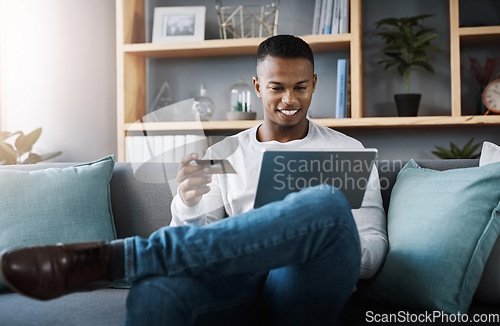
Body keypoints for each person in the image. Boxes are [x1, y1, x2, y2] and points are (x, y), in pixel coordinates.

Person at [0, 35, 387, 326]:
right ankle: (136, 262)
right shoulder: (224, 153)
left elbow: (374, 243)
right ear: (257, 87)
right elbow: (203, 243)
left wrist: (304, 238)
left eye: (300, 87)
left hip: (307, 281)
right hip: (240, 280)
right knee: (158, 292)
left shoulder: (348, 150)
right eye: (277, 87)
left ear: (314, 84)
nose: (290, 98)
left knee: (324, 204)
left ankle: (126, 257)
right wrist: (185, 203)